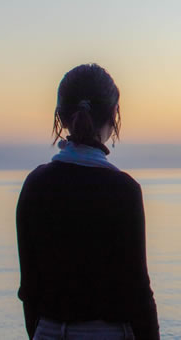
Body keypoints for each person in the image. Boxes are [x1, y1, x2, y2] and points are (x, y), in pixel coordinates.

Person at [16, 63, 159, 340]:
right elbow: (138, 294)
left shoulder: (36, 185)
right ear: (114, 115)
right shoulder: (123, 191)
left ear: (61, 117)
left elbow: (29, 290)